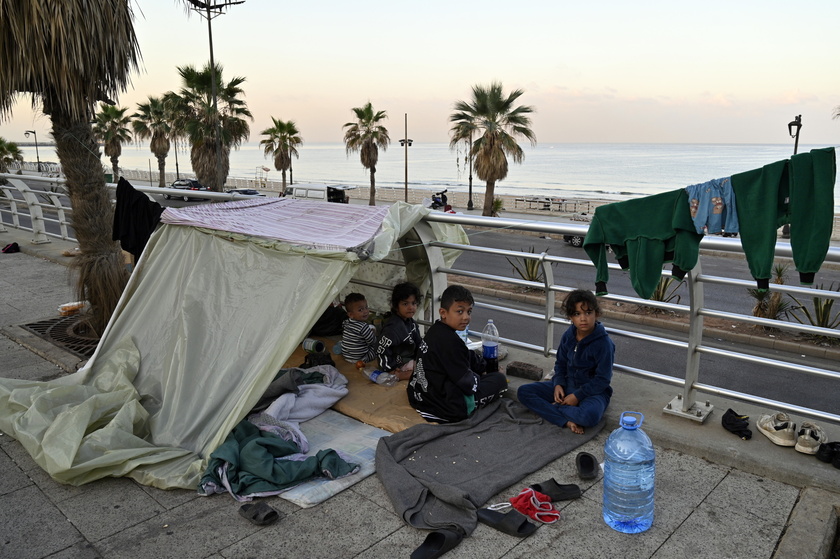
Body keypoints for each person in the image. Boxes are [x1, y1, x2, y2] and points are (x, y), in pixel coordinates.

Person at [517, 289, 614, 434]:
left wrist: (577, 396)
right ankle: (566, 420)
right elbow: (560, 364)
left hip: (593, 393)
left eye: (588, 312)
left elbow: (602, 379)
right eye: (577, 314)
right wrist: (558, 384)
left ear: (596, 314)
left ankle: (555, 408)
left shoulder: (604, 343)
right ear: (570, 317)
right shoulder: (569, 335)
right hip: (568, 385)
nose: (583, 318)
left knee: (589, 417)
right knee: (524, 392)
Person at [407, 285, 507, 423]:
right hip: (443, 407)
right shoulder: (451, 343)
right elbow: (468, 384)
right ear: (443, 312)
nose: (466, 317)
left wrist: (483, 366)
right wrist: (485, 375)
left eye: (469, 311)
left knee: (477, 366)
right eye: (460, 311)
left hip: (419, 395)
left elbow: (466, 355)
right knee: (499, 380)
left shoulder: (436, 330)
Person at [377, 282, 424, 381]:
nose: (411, 307)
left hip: (410, 360)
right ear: (396, 306)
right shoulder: (392, 329)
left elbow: (419, 343)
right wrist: (390, 369)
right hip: (398, 365)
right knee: (424, 373)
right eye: (405, 304)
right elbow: (381, 350)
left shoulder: (411, 323)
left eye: (414, 303)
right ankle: (398, 376)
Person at [340, 293, 377, 363]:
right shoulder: (363, 327)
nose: (365, 311)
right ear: (351, 314)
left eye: (366, 307)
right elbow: (372, 341)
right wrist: (373, 333)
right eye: (360, 310)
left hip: (346, 356)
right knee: (376, 347)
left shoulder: (346, 322)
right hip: (360, 359)